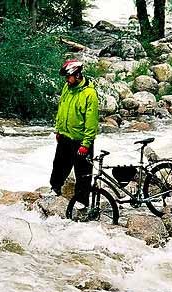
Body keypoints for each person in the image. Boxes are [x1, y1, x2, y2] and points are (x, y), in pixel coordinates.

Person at [50, 59, 99, 207]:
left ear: (77, 75)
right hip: (65, 136)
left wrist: (86, 144)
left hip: (81, 141)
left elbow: (91, 122)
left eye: (68, 76)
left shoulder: (90, 94)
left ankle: (82, 202)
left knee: (83, 173)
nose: (66, 80)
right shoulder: (67, 87)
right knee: (59, 165)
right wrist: (58, 130)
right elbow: (61, 109)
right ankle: (55, 189)